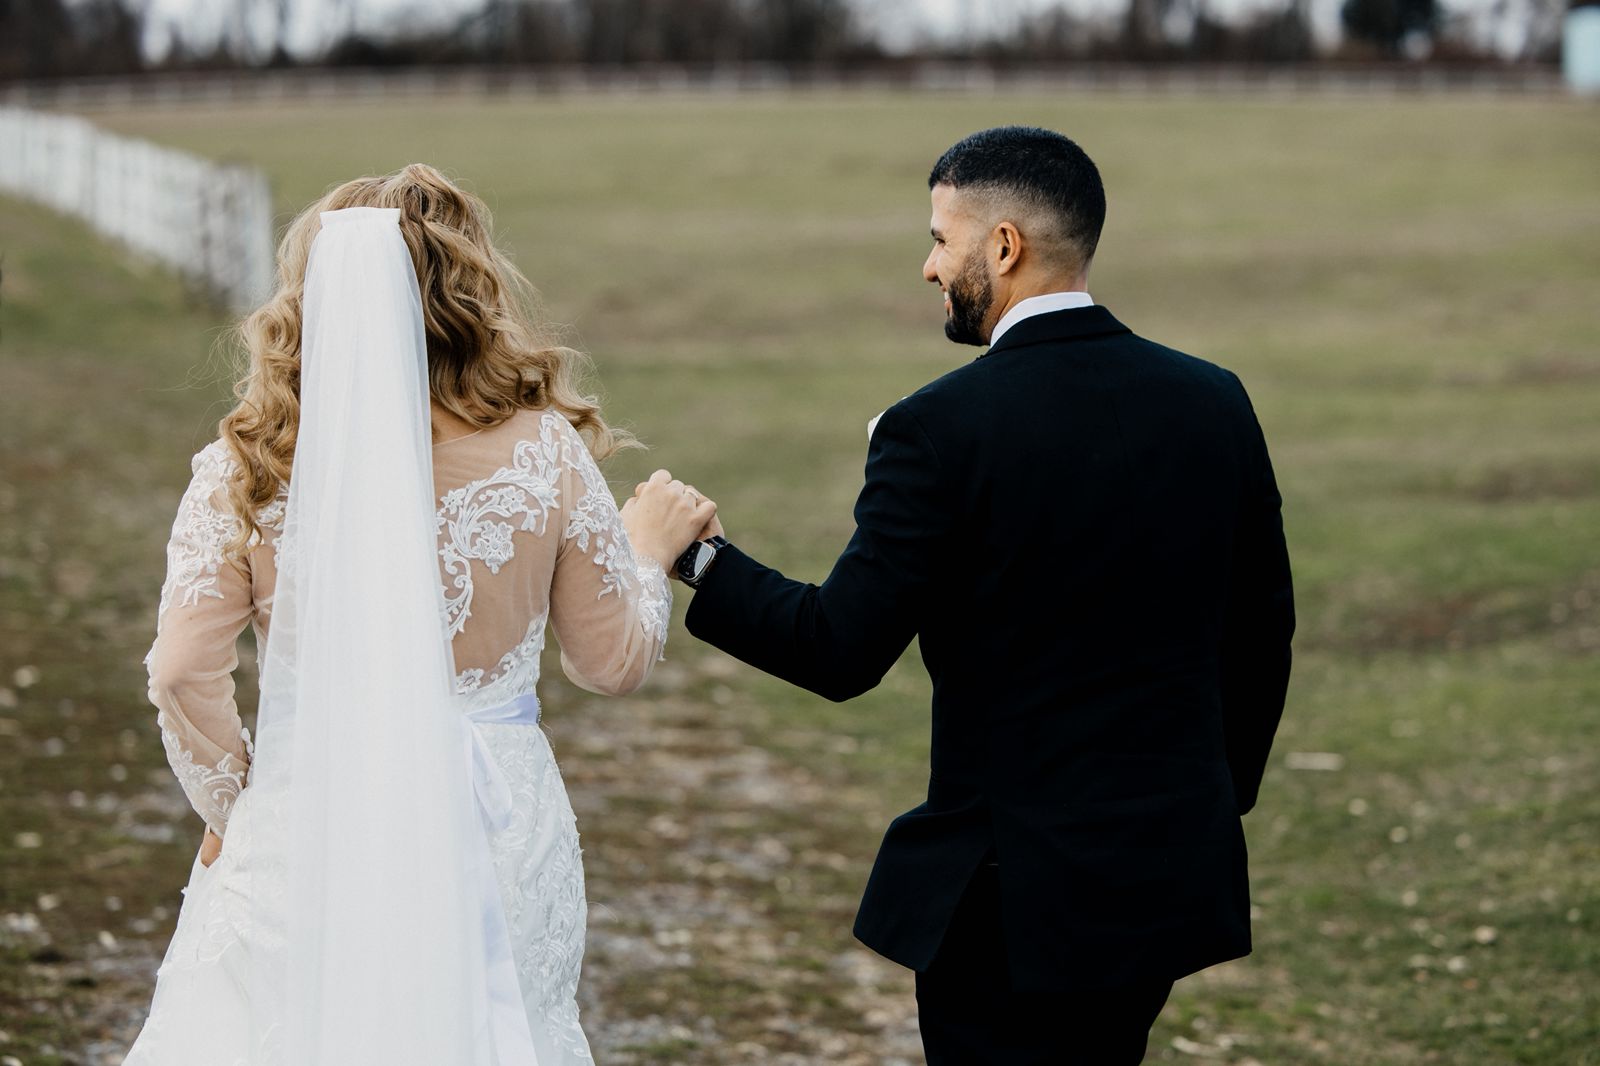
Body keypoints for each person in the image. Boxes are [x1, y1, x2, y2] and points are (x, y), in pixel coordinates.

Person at [630, 126, 1295, 1064]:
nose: (930, 266)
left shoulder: (935, 429)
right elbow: (1262, 634)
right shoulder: (1215, 399)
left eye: (941, 239)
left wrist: (698, 561)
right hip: (1164, 875)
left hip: (1007, 896)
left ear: (1005, 246)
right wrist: (1206, 801)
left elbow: (839, 648)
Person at [125, 165, 714, 1065]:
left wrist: (236, 808)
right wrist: (646, 548)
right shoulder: (544, 453)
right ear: (470, 287)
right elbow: (611, 662)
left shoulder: (247, 465)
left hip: (310, 811)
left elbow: (177, 673)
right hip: (495, 820)